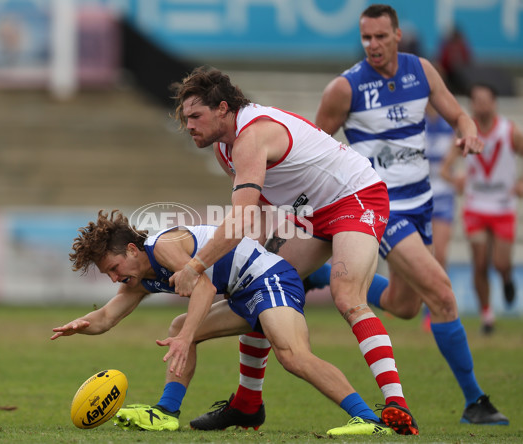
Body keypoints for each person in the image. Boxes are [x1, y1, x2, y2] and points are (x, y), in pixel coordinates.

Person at [167, 64, 419, 435]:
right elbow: (262, 207)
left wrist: (196, 266)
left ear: (223, 109)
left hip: (355, 196)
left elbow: (236, 221)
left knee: (347, 295)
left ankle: (397, 404)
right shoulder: (226, 149)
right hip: (311, 212)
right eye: (185, 117)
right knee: (261, 284)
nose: (188, 125)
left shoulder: (250, 138)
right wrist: (263, 256)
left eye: (195, 116)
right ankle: (248, 403)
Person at [304, 4, 508, 426]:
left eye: (381, 37)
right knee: (443, 295)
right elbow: (312, 149)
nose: (373, 45)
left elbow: (457, 113)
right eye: (366, 38)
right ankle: (475, 401)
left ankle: (319, 276)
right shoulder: (345, 88)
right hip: (380, 206)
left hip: (422, 203)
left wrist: (468, 131)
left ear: (398, 36)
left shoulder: (421, 71)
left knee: (406, 304)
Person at [51, 210, 398, 436]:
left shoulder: (162, 247)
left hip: (269, 279)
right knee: (177, 328)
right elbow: (108, 316)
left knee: (293, 356)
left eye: (113, 268)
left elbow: (204, 285)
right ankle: (167, 411)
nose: (114, 279)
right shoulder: (139, 278)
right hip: (243, 294)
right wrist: (81, 324)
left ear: (130, 249)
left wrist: (187, 337)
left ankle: (368, 419)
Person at [441, 83, 523, 334]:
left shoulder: (509, 131)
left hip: (503, 206)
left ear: (495, 103)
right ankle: (487, 316)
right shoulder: (467, 133)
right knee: (478, 262)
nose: (481, 105)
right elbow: (445, 169)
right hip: (476, 206)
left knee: (499, 262)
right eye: (477, 100)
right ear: (472, 104)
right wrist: (457, 181)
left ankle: (507, 278)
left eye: (486, 100)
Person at [420, 105, 458, 331]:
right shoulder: (414, 121)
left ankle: (439, 308)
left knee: (440, 254)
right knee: (424, 255)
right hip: (419, 195)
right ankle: (427, 306)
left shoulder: (451, 126)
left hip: (444, 196)